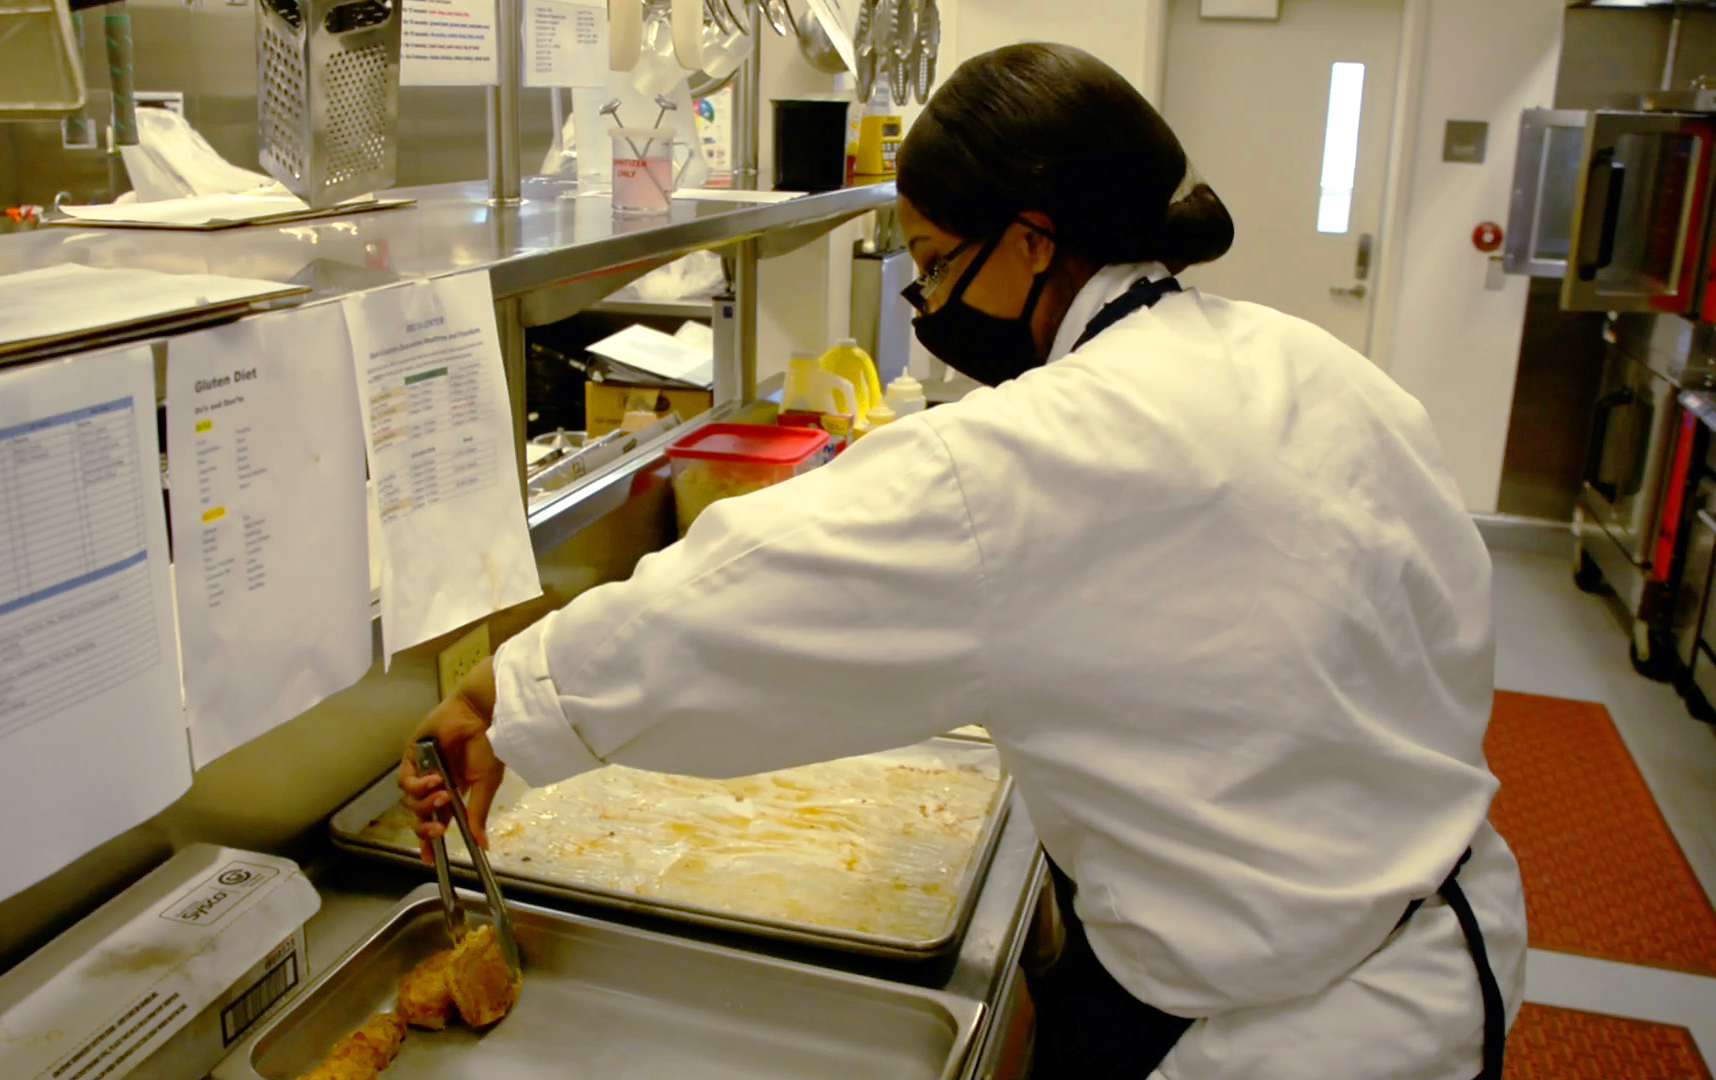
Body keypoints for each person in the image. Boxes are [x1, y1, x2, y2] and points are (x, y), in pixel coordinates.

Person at [400, 42, 1526, 1080]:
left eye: (935, 266)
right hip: (1443, 930)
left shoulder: (1042, 450)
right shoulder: (1316, 363)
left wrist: (510, 697)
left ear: (1034, 240)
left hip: (1281, 1027)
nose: (929, 306)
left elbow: (754, 591)